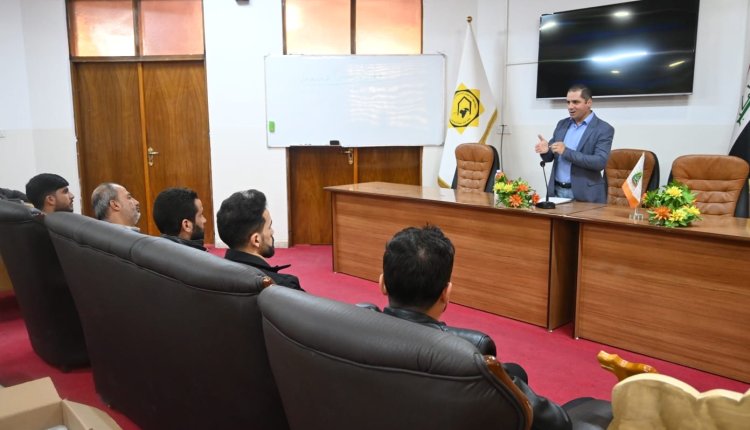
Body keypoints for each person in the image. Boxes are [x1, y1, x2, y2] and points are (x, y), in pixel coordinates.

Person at [377, 225, 602, 430]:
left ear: (383, 283)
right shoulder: (471, 355)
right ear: (446, 294)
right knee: (588, 405)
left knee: (515, 372)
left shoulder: (359, 328)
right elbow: (557, 423)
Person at [535, 84, 614, 203]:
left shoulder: (603, 129)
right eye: (568, 102)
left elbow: (599, 162)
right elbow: (550, 157)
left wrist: (566, 152)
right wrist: (546, 151)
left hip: (585, 195)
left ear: (589, 102)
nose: (570, 107)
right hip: (556, 192)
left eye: (575, 102)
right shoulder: (562, 124)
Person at [217, 189, 303, 291]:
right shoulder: (285, 286)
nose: (272, 232)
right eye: (269, 227)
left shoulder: (214, 278)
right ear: (256, 240)